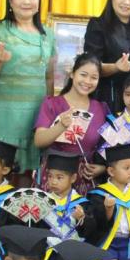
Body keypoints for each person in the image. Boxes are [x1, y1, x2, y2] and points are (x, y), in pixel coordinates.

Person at [0, 0, 57, 184]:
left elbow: (49, 77)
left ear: (38, 1)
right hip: (4, 116)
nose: (26, 1)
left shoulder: (47, 35)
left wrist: (49, 112)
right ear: (10, 1)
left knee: (26, 178)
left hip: (35, 115)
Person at [33, 53, 109, 193]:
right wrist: (60, 126)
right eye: (83, 75)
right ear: (72, 74)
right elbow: (39, 141)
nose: (87, 81)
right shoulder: (52, 104)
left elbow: (107, 146)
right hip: (54, 178)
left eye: (94, 77)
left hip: (84, 179)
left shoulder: (101, 109)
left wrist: (103, 167)